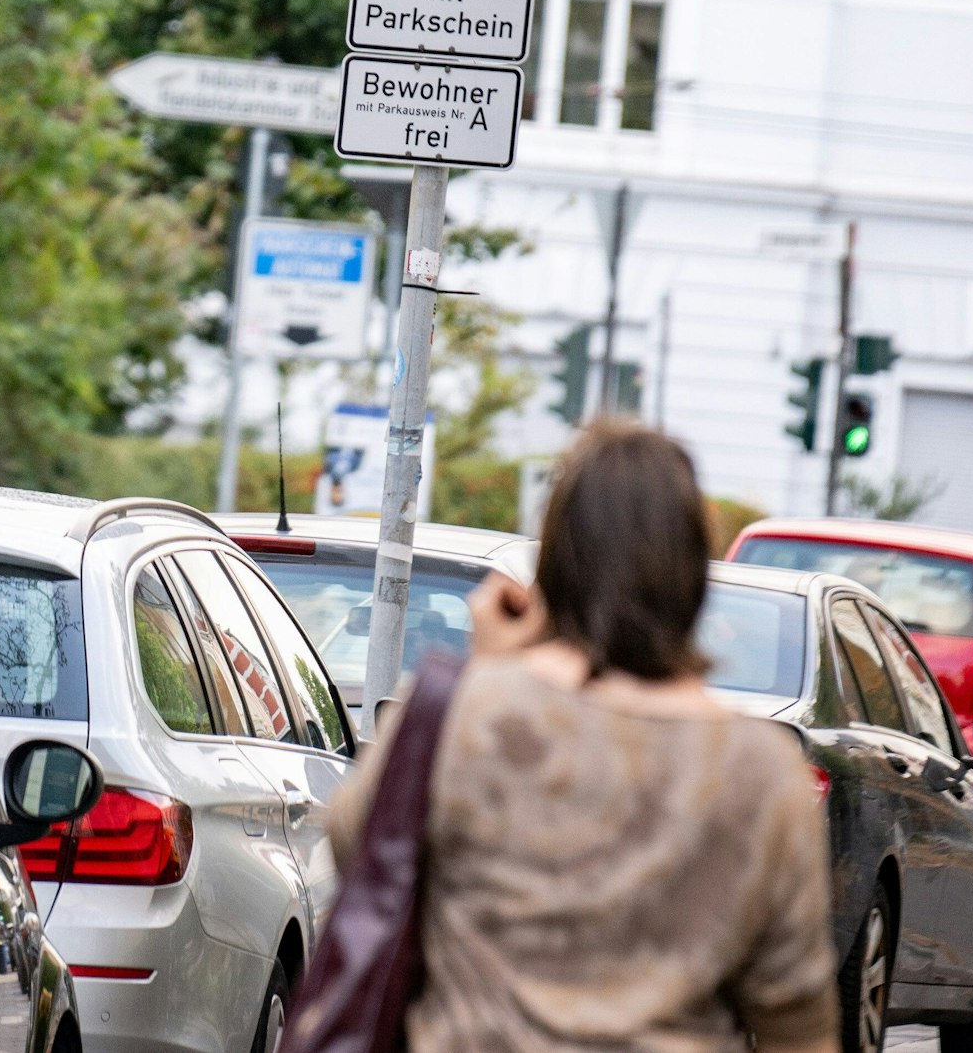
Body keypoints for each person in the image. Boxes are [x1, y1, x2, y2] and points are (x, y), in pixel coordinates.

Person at [326, 421, 839, 1053]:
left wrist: (488, 672)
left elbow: (359, 849)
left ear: (555, 561)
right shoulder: (763, 772)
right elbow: (795, 1015)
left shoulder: (464, 712)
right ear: (692, 576)